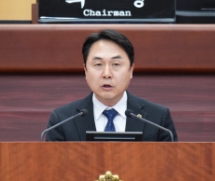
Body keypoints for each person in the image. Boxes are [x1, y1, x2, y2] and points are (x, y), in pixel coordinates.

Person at [46, 29, 178, 141]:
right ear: (86, 70)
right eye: (98, 64)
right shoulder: (62, 120)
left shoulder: (157, 119)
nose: (107, 74)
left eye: (116, 64)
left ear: (131, 70)